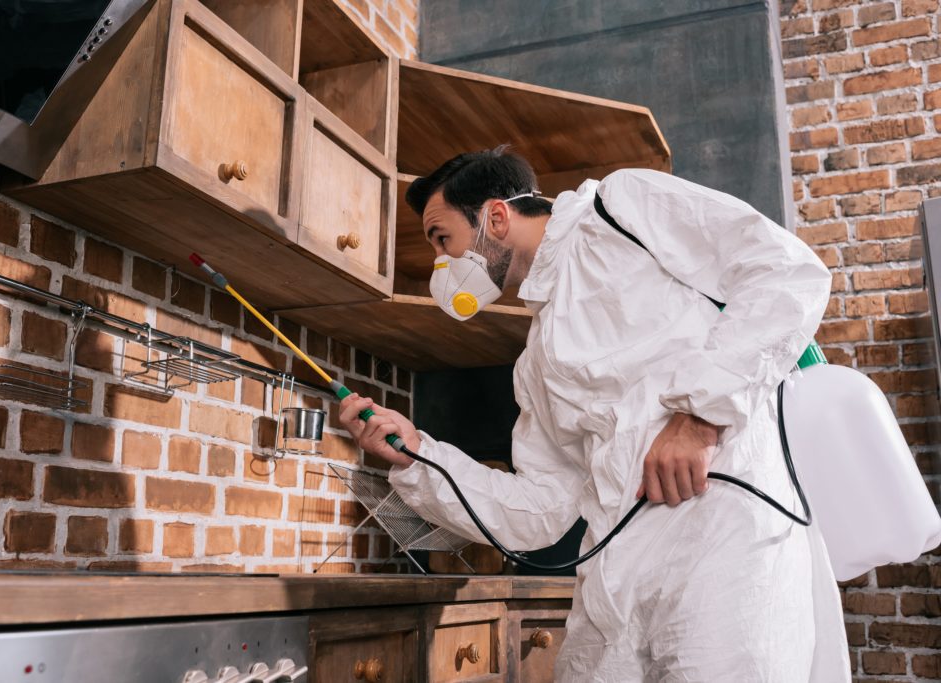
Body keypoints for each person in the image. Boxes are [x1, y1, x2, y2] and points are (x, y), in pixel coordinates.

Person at [339, 147, 850, 682]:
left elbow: (785, 274)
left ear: (494, 217)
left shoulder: (621, 207)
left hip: (725, 543)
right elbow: (541, 508)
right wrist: (420, 455)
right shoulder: (536, 361)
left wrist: (700, 418)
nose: (441, 264)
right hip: (616, 579)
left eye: (443, 239)